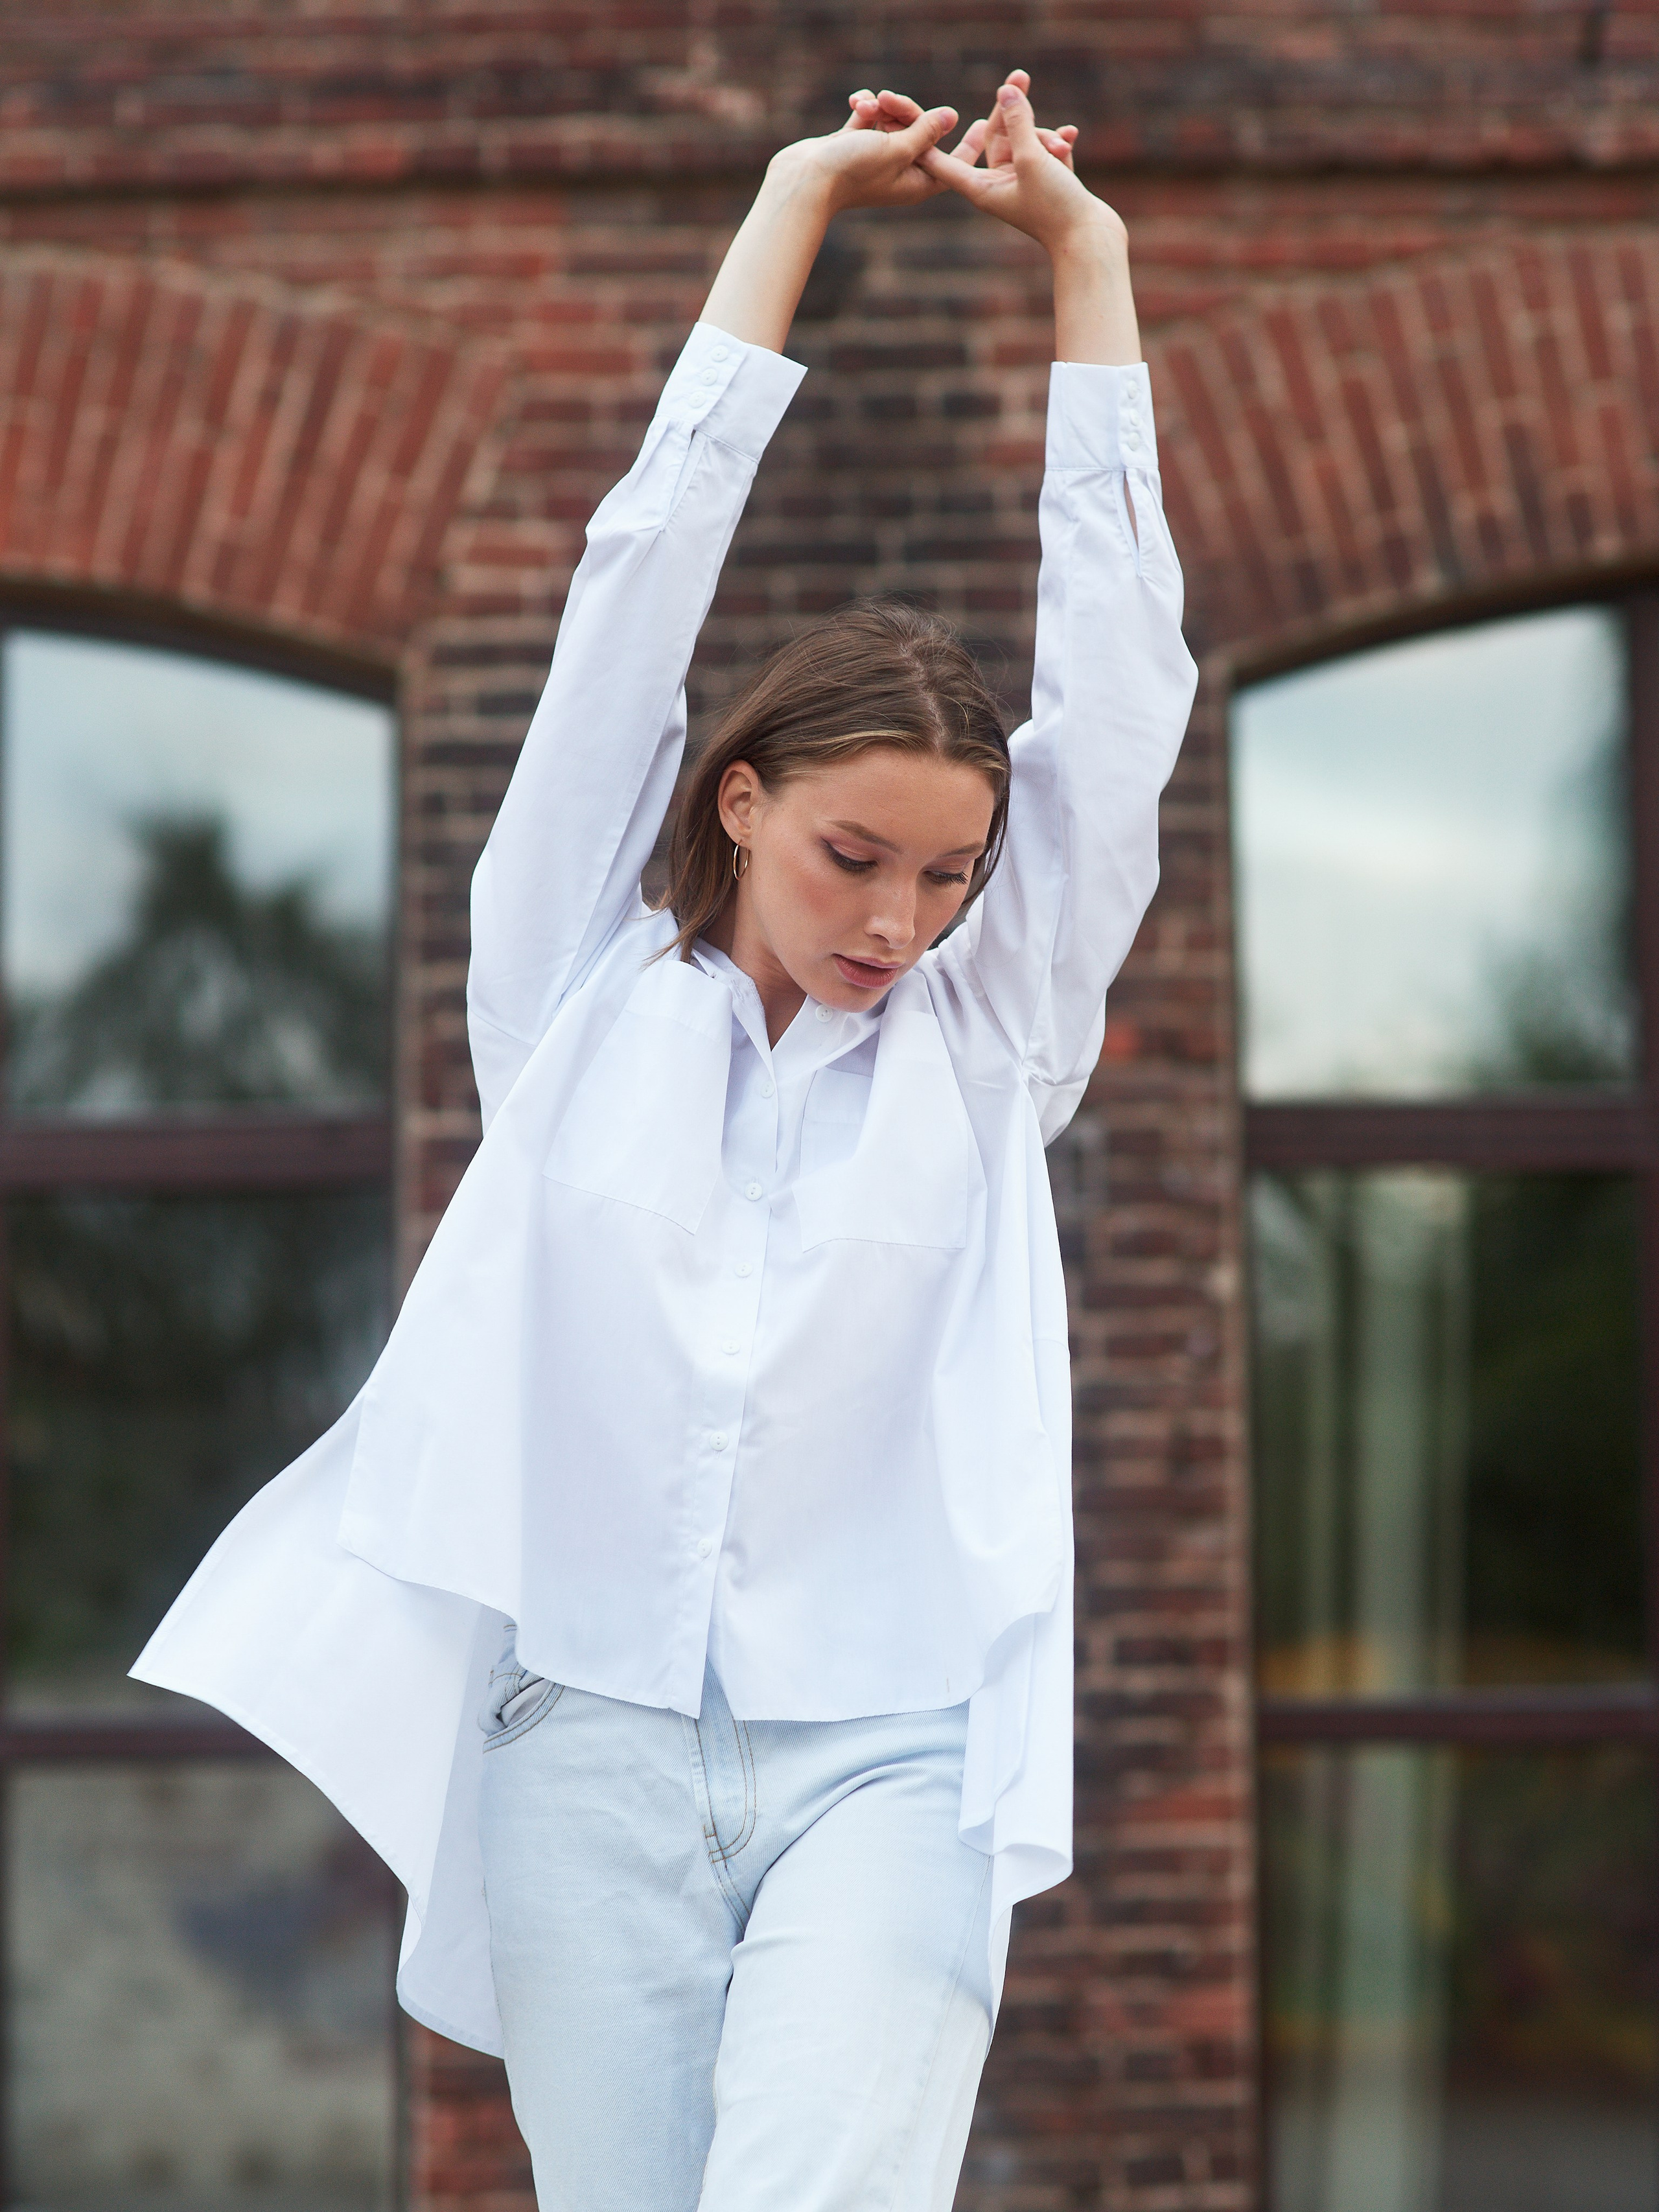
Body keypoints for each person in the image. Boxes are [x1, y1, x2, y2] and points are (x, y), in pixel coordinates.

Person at [134, 67, 1198, 2212]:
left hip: (892, 1756)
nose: (901, 920)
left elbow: (1123, 675)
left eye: (951, 876)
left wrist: (1090, 266)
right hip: (582, 1748)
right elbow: (636, 585)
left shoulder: (992, 1042)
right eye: (852, 857)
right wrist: (792, 206)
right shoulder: (572, 996)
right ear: (739, 804)